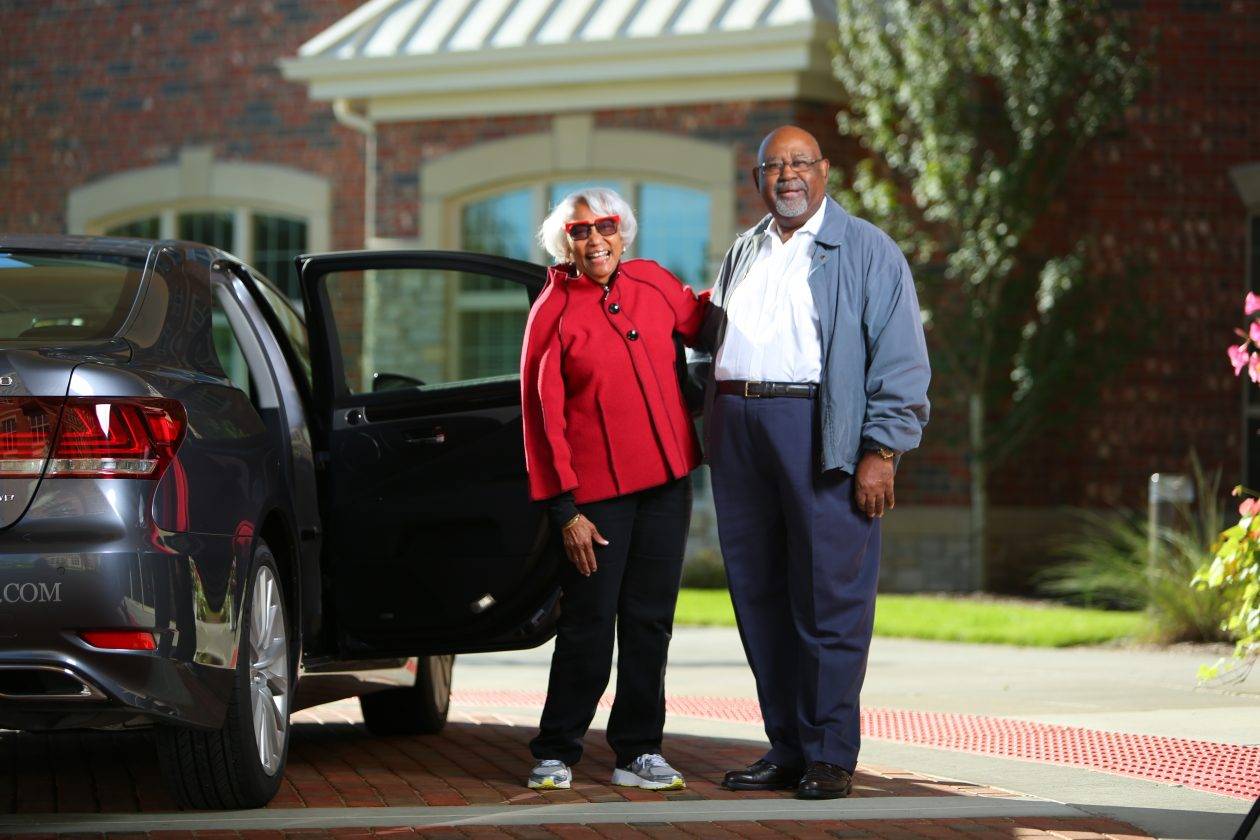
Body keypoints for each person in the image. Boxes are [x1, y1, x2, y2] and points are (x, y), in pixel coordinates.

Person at [700, 126, 931, 799]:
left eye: (801, 163)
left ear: (826, 172)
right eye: (773, 165)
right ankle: (788, 747)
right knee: (759, 596)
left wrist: (881, 450)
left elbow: (901, 361)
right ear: (757, 181)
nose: (787, 175)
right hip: (738, 433)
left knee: (830, 601)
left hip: (819, 433)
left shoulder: (866, 250)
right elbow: (709, 341)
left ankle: (830, 752)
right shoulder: (743, 250)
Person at [519, 187, 709, 792]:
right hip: (593, 497)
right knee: (590, 623)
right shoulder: (552, 309)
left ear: (622, 231)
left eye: (605, 227)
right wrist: (564, 511)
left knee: (651, 622)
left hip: (668, 484)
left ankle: (638, 752)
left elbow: (705, 319)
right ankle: (556, 750)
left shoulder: (653, 282)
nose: (595, 240)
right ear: (565, 242)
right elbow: (540, 414)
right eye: (580, 231)